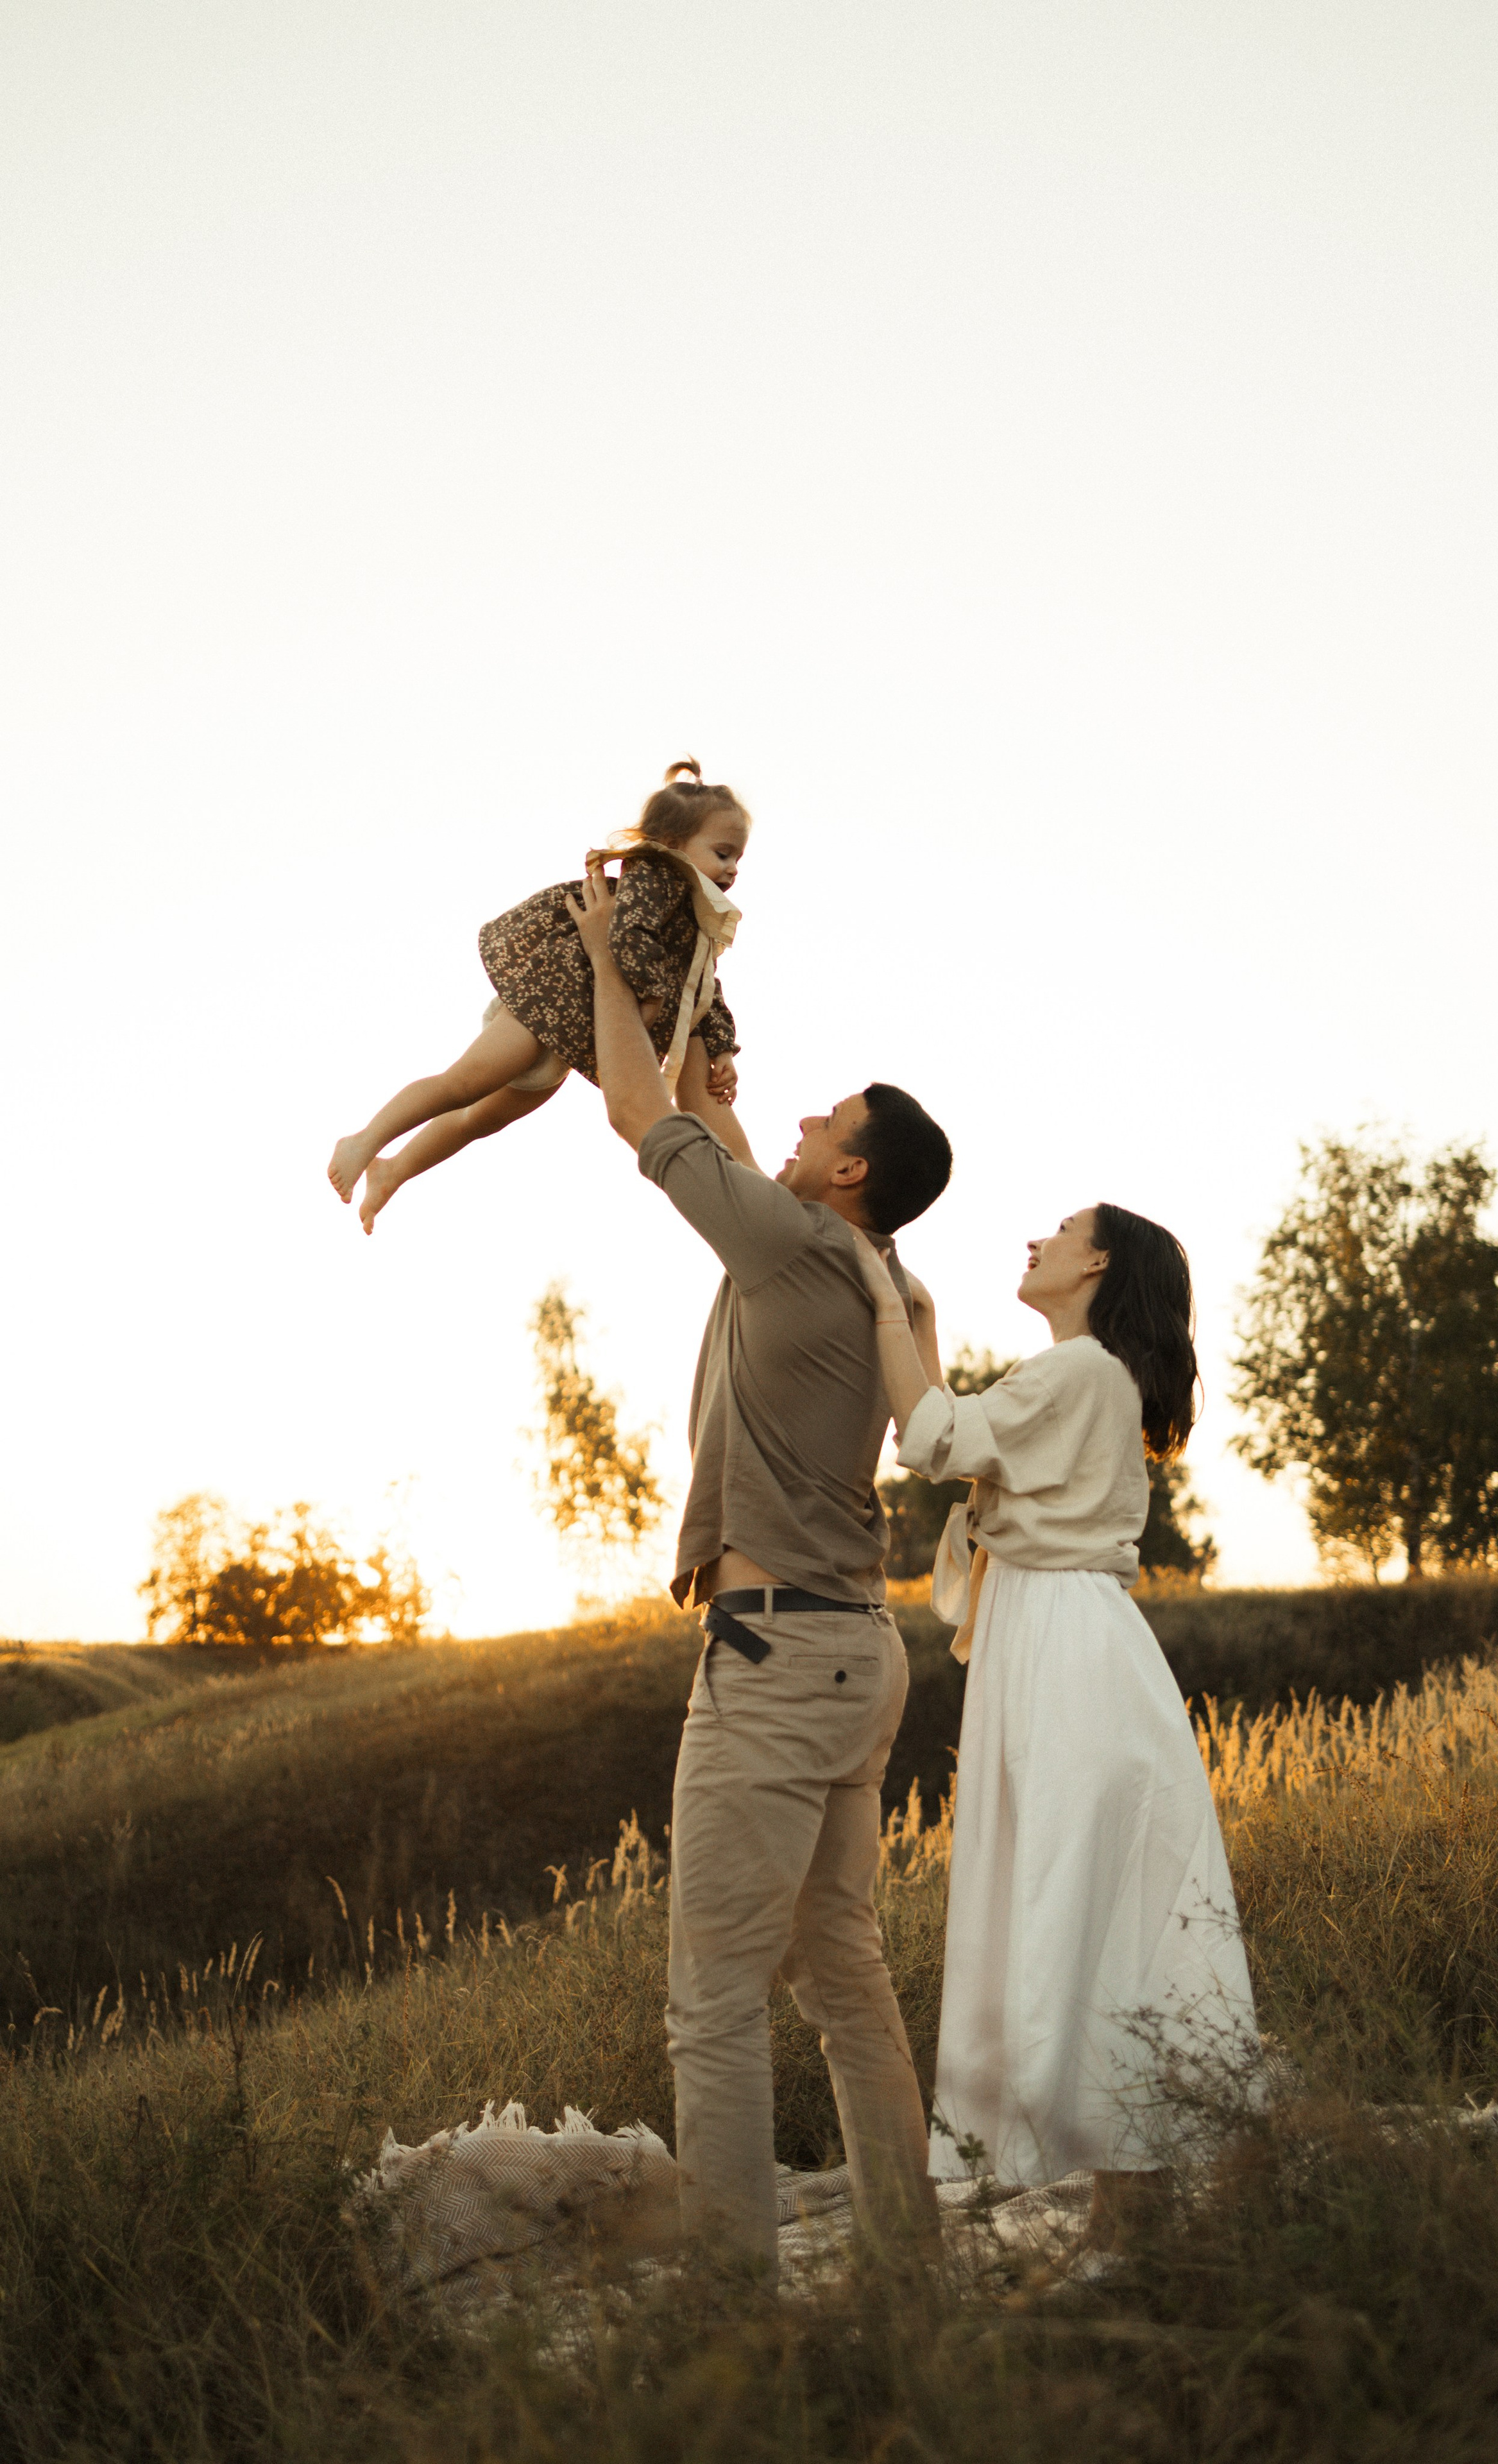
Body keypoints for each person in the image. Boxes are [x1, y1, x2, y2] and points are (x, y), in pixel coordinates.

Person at [567, 858, 953, 2272]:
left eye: (824, 1118)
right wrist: (704, 1027)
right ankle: (908, 2268)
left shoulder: (791, 1248)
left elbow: (633, 1113)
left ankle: (729, 2319)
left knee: (714, 1999)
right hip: (859, 1655)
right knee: (843, 1976)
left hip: (775, 1660)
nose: (794, 1114)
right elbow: (712, 1125)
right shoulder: (881, 1280)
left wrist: (607, 960)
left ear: (845, 1171)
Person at [851, 1204, 1259, 2240]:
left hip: (1067, 1656)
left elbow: (935, 1441)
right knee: (1104, 1926)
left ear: (1101, 1262)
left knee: (1073, 1905)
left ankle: (1126, 2231)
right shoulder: (1089, 1380)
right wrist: (924, 1332)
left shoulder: (1078, 1372)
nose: (1037, 1239)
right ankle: (1134, 2229)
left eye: (1063, 1228)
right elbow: (953, 1432)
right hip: (1076, 1645)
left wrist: (882, 1309)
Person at [326, 760, 749, 1233]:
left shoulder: (696, 918)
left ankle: (392, 1171)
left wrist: (721, 1047)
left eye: (738, 859)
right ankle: (365, 1140)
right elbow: (629, 933)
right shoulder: (659, 876)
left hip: (572, 1031)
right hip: (551, 1001)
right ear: (674, 844)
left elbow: (704, 987)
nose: (732, 869)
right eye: (722, 853)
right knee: (464, 1083)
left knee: (482, 1119)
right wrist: (650, 995)